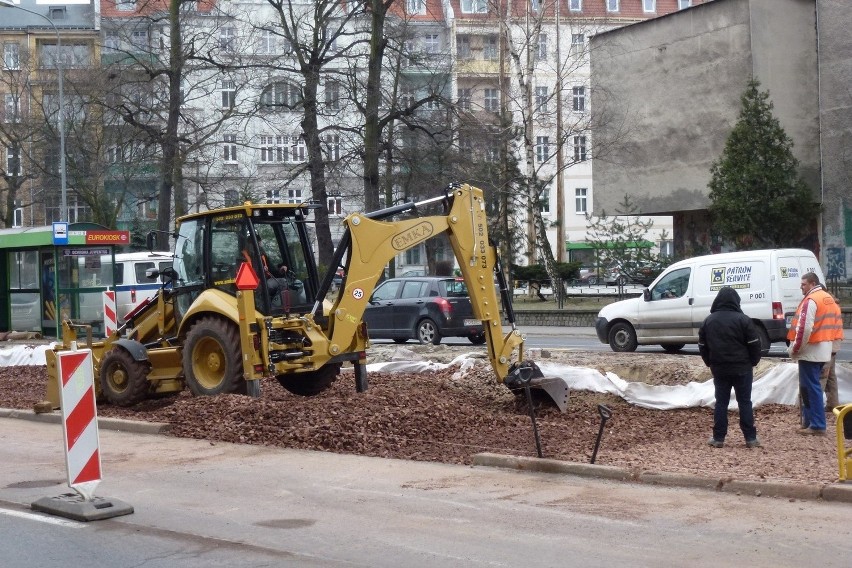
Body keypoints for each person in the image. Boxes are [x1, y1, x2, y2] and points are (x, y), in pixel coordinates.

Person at [698, 286, 763, 448]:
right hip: (742, 368)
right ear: (736, 301)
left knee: (721, 403)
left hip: (719, 368)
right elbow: (755, 345)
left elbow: (702, 345)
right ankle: (750, 438)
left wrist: (709, 362)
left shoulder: (708, 321)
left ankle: (718, 438)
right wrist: (753, 362)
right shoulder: (743, 320)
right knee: (745, 402)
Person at [787, 272, 842, 435]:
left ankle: (816, 424)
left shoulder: (811, 300)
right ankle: (810, 421)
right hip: (824, 347)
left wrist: (795, 348)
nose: (801, 287)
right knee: (811, 386)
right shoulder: (828, 298)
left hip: (811, 350)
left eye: (803, 284)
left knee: (810, 387)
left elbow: (805, 328)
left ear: (812, 283)